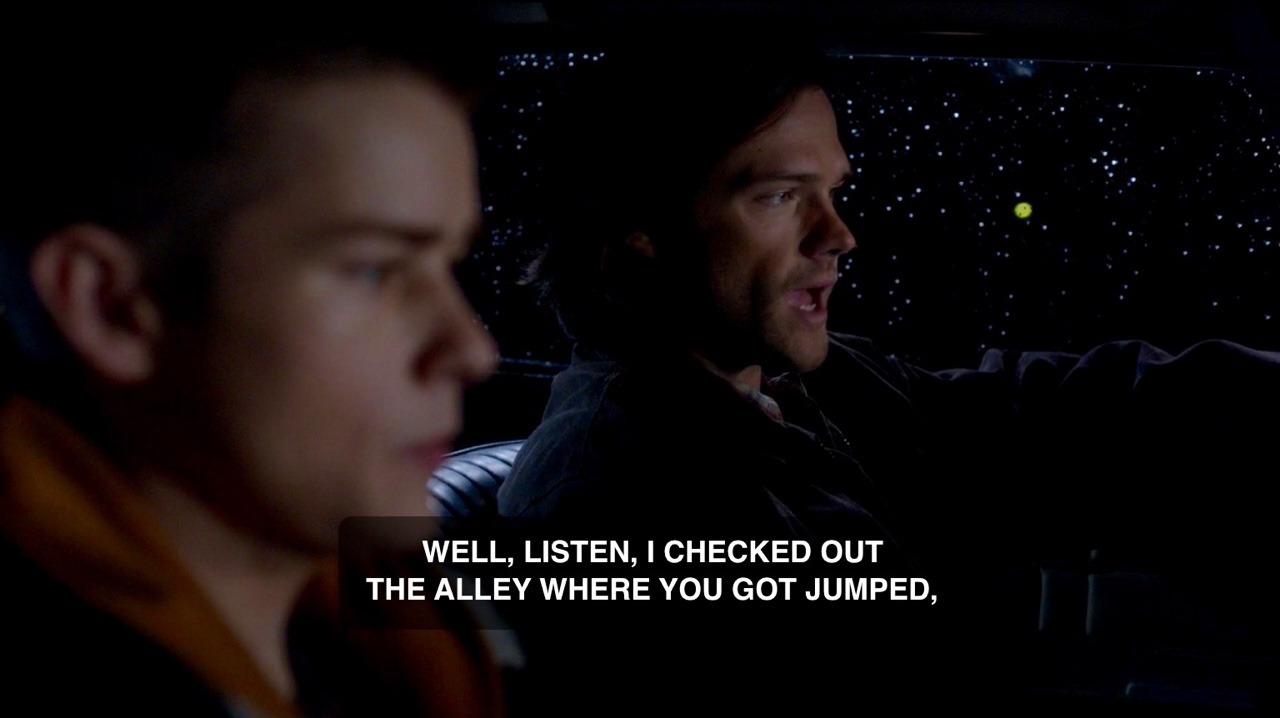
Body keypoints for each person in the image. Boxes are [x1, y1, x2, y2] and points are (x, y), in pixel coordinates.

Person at [496, 28, 1280, 711]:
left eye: (832, 192)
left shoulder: (806, 383)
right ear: (641, 229)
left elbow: (1021, 414)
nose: (838, 235)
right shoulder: (614, 494)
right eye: (780, 197)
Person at [0, 32, 503, 715]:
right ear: (112, 308)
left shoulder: (404, 651)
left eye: (448, 263)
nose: (472, 351)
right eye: (374, 270)